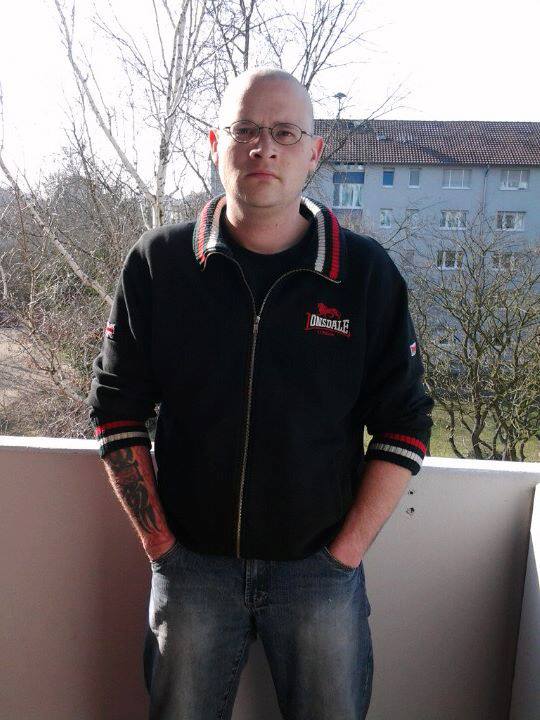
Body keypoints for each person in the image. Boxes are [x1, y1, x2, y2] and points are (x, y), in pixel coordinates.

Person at [87, 66, 434, 720]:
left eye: (284, 133)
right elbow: (116, 410)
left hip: (319, 574)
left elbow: (405, 424)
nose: (263, 148)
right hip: (191, 569)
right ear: (215, 142)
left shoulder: (364, 274)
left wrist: (343, 557)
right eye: (245, 130)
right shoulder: (159, 264)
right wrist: (162, 549)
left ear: (314, 152)